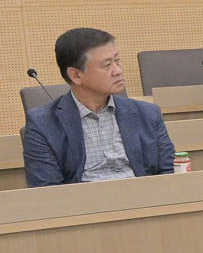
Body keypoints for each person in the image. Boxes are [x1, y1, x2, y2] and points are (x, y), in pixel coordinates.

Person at [21, 28, 177, 186]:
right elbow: (46, 190)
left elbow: (170, 171)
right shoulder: (43, 123)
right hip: (82, 200)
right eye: (107, 65)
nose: (118, 71)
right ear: (76, 75)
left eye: (117, 61)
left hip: (143, 197)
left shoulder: (148, 113)